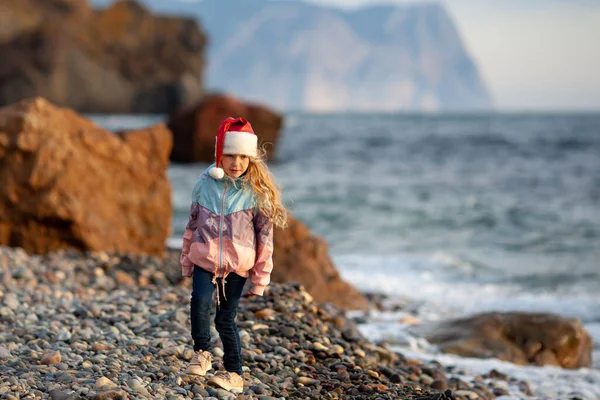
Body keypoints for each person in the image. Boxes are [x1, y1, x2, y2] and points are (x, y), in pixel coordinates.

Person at [180, 117, 287, 394]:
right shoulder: (205, 183)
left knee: (225, 320)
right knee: (199, 301)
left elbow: (265, 240)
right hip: (205, 258)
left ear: (250, 158)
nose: (236, 163)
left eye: (242, 156)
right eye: (229, 155)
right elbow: (191, 225)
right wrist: (186, 261)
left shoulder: (255, 192)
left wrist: (261, 279)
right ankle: (202, 353)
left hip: (238, 268)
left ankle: (234, 374)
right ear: (219, 154)